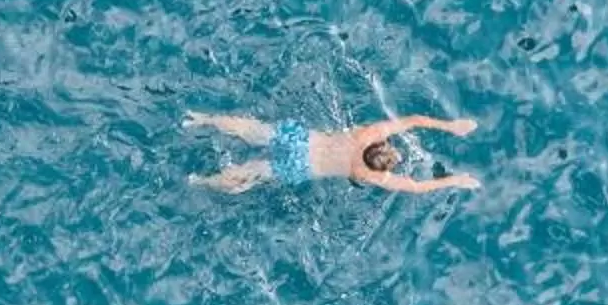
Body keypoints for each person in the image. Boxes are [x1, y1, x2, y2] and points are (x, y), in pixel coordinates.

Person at [185, 110, 481, 195]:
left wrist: (452, 126)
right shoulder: (368, 175)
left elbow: (414, 120)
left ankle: (202, 120)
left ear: (380, 144)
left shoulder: (368, 134)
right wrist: (455, 180)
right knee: (252, 173)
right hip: (302, 167)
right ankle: (201, 181)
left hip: (302, 141)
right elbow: (416, 187)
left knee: (253, 130)